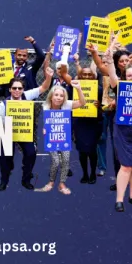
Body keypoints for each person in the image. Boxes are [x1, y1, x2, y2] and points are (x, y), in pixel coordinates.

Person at [90, 35, 132, 212]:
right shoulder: (120, 87)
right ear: (125, 76)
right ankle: (119, 200)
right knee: (125, 165)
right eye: (130, 74)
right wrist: (109, 50)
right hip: (123, 131)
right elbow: (110, 69)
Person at [0, 69, 53, 191]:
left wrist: (49, 76)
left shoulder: (27, 96)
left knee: (31, 153)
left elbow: (44, 87)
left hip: (25, 133)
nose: (17, 91)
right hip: (8, 133)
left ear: (23, 89)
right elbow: (0, 124)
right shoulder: (3, 104)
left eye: (20, 88)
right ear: (10, 89)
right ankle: (4, 180)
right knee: (5, 157)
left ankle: (26, 179)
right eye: (14, 88)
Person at [35, 66, 86, 195]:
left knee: (66, 159)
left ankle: (62, 183)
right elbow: (46, 122)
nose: (58, 98)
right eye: (56, 95)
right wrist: (45, 130)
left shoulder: (67, 104)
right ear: (51, 96)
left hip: (64, 136)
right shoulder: (46, 106)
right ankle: (51, 182)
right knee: (56, 161)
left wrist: (79, 88)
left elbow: (82, 103)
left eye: (61, 96)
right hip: (52, 136)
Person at [69, 66, 104, 184]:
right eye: (84, 74)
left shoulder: (99, 89)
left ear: (94, 77)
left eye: (90, 74)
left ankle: (93, 172)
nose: (87, 76)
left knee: (92, 150)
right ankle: (84, 173)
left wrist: (100, 105)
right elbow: (67, 103)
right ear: (80, 76)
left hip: (94, 123)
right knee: (82, 150)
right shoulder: (73, 89)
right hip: (79, 122)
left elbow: (106, 107)